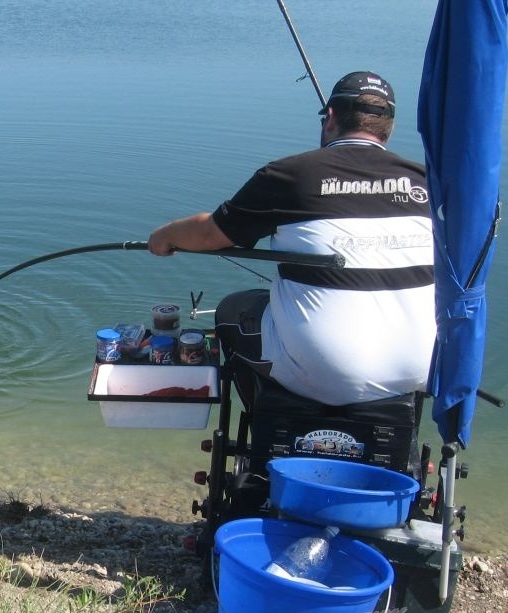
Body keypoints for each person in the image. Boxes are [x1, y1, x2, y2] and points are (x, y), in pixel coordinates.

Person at [148, 71, 435, 408]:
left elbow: (211, 234)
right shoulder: (428, 182)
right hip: (422, 367)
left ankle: (267, 423)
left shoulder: (291, 176)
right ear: (388, 127)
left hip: (329, 372)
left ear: (330, 118)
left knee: (233, 310)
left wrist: (164, 235)